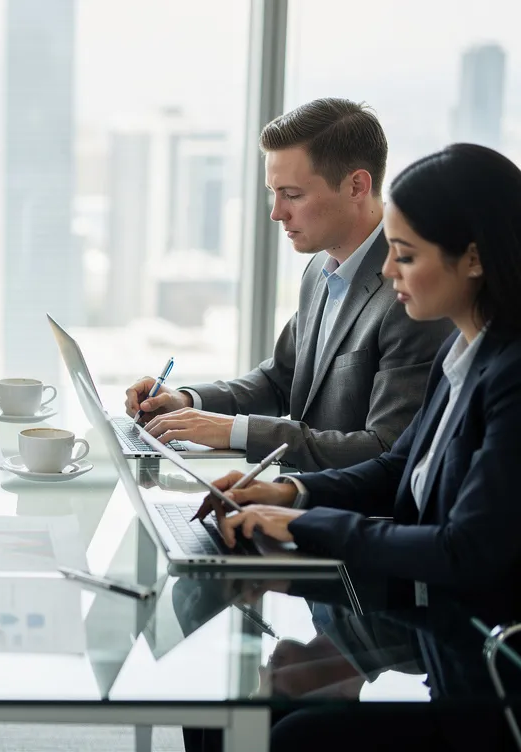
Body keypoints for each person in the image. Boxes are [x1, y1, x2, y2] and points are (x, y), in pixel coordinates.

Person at [198, 143, 521, 750]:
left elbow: (464, 550)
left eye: (406, 255)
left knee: (294, 734)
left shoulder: (512, 377)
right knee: (220, 706)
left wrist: (306, 524)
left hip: (488, 688)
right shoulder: (462, 353)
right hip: (437, 634)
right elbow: (398, 468)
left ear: (474, 259)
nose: (389, 270)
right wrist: (289, 492)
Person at [124, 99, 453, 471]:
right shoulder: (320, 269)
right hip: (299, 494)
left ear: (357, 186)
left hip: (349, 504)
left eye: (293, 195)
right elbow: (280, 379)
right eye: (273, 193)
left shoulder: (411, 296)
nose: (277, 212)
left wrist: (235, 431)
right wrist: (187, 402)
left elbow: (385, 449)